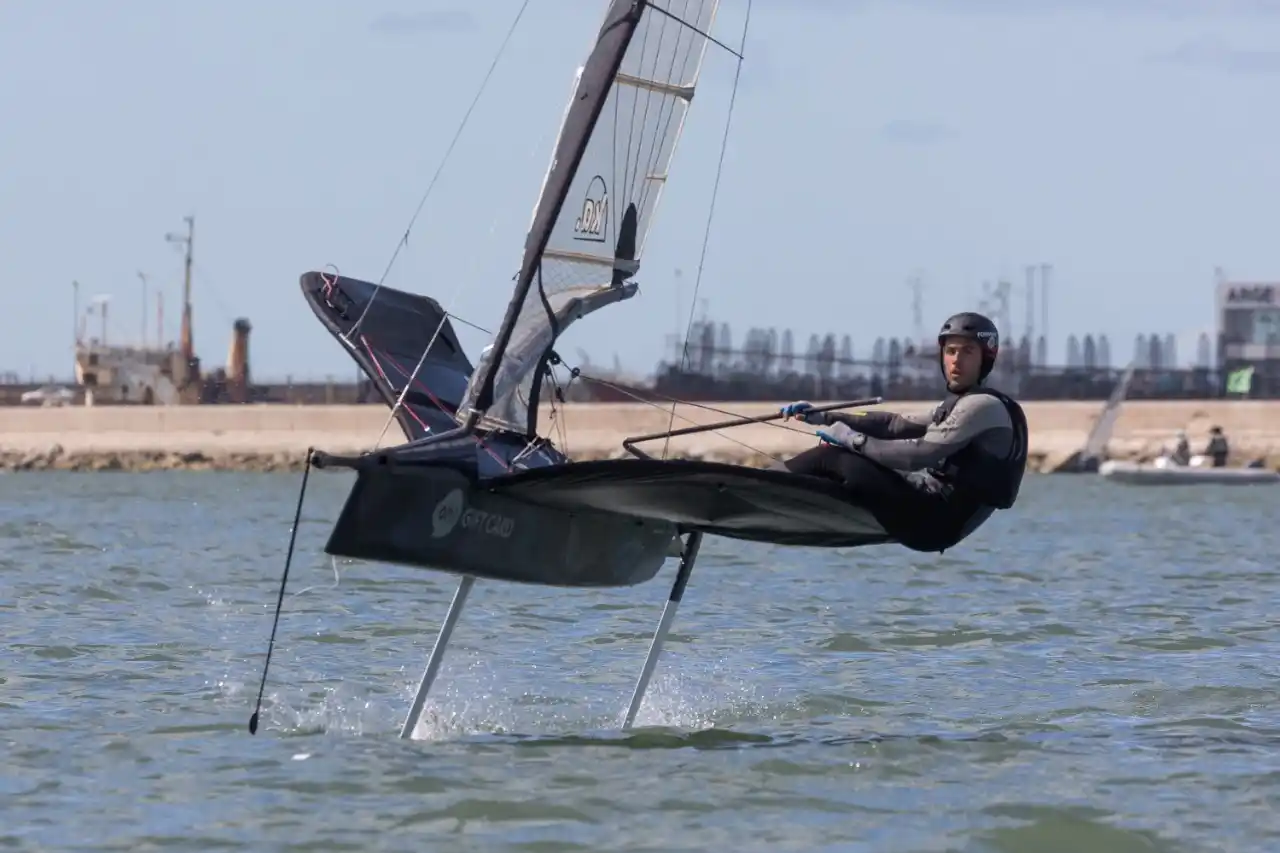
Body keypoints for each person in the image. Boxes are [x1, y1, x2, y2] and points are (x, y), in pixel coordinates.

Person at [778, 312, 1028, 553]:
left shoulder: (982, 406)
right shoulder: (964, 404)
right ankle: (787, 495)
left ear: (985, 358)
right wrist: (825, 416)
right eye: (951, 351)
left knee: (832, 458)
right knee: (843, 460)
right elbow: (893, 424)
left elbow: (918, 456)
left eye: (968, 351)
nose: (956, 360)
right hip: (932, 514)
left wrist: (851, 439)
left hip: (936, 521)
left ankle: (761, 483)